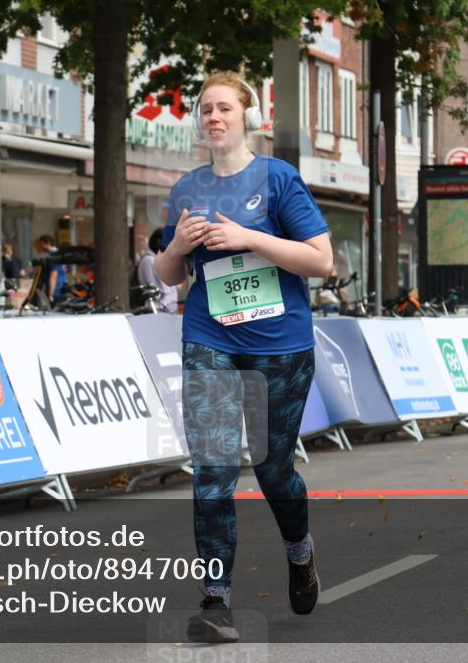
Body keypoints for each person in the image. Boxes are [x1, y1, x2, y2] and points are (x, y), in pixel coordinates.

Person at [154, 71, 332, 643]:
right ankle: (216, 600)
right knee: (212, 470)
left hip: (281, 345)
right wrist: (178, 248)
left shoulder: (278, 180)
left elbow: (320, 261)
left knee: (273, 468)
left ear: (246, 117)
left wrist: (249, 239)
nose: (213, 116)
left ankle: (300, 552)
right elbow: (167, 274)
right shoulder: (186, 189)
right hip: (211, 338)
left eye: (224, 108)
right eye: (205, 109)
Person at [136, 229, 179, 313]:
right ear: (159, 242)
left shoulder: (156, 260)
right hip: (159, 308)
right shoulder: (149, 260)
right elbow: (155, 287)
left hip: (166, 308)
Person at [34, 234, 67, 305]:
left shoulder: (53, 256)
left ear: (48, 243)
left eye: (42, 244)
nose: (41, 247)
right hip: (60, 289)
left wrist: (51, 294)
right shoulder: (59, 254)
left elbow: (53, 276)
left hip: (56, 291)